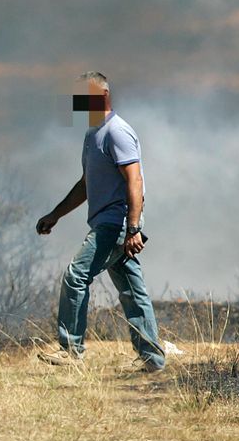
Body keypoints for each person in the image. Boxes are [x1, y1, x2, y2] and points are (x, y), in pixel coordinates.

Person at [35, 71, 165, 372]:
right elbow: (85, 184)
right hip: (109, 223)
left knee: (75, 276)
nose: (78, 104)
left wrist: (133, 229)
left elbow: (135, 180)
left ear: (102, 96)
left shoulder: (117, 132)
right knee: (133, 292)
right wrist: (55, 214)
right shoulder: (93, 133)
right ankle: (153, 360)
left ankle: (71, 350)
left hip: (115, 225)